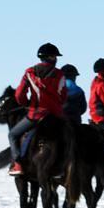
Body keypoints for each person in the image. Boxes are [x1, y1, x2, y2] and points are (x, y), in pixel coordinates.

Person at [9, 43, 67, 175]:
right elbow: (63, 97)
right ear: (50, 58)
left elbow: (19, 94)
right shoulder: (59, 74)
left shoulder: (29, 72)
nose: (56, 59)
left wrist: (27, 103)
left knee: (12, 134)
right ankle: (62, 165)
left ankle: (18, 164)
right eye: (55, 56)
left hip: (35, 115)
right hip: (56, 115)